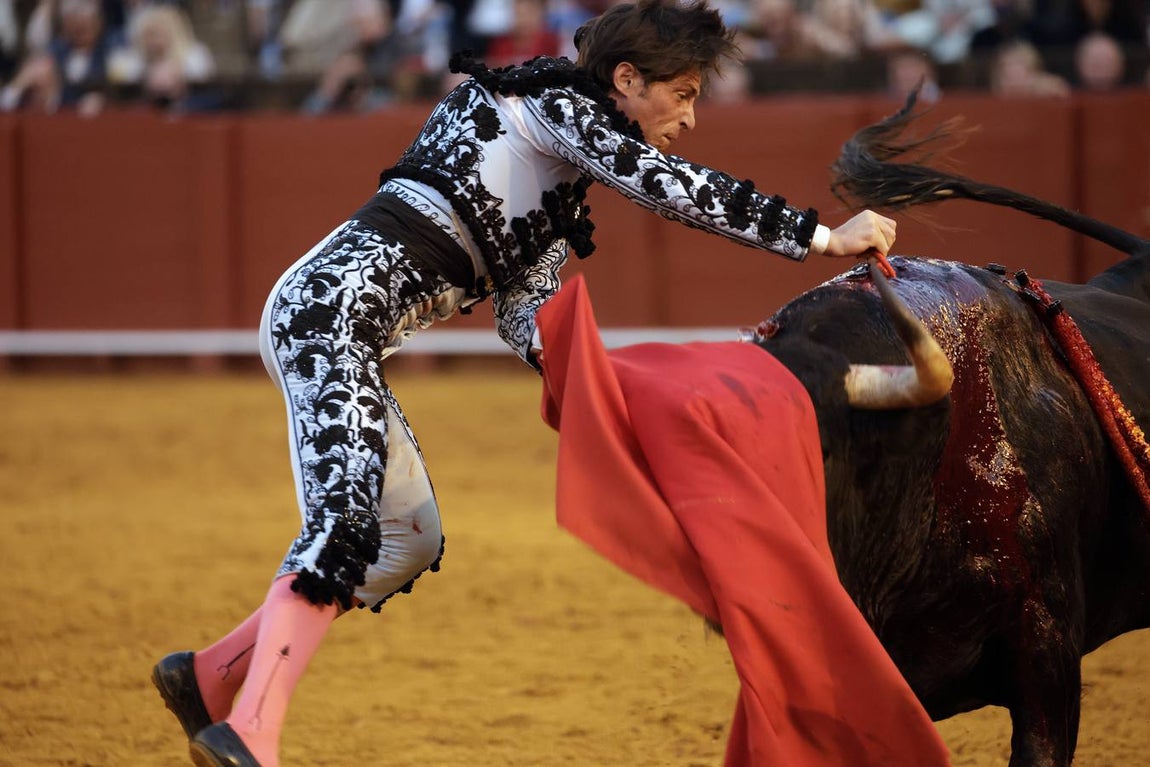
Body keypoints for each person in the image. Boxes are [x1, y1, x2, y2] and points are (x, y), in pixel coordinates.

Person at [150, 1, 898, 765]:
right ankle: (251, 730)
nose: (691, 117)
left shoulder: (552, 170)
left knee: (408, 537)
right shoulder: (551, 107)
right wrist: (819, 236)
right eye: (685, 93)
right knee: (346, 523)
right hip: (326, 315)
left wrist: (617, 397)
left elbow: (527, 317)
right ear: (628, 79)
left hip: (348, 330)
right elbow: (660, 182)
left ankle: (212, 677)